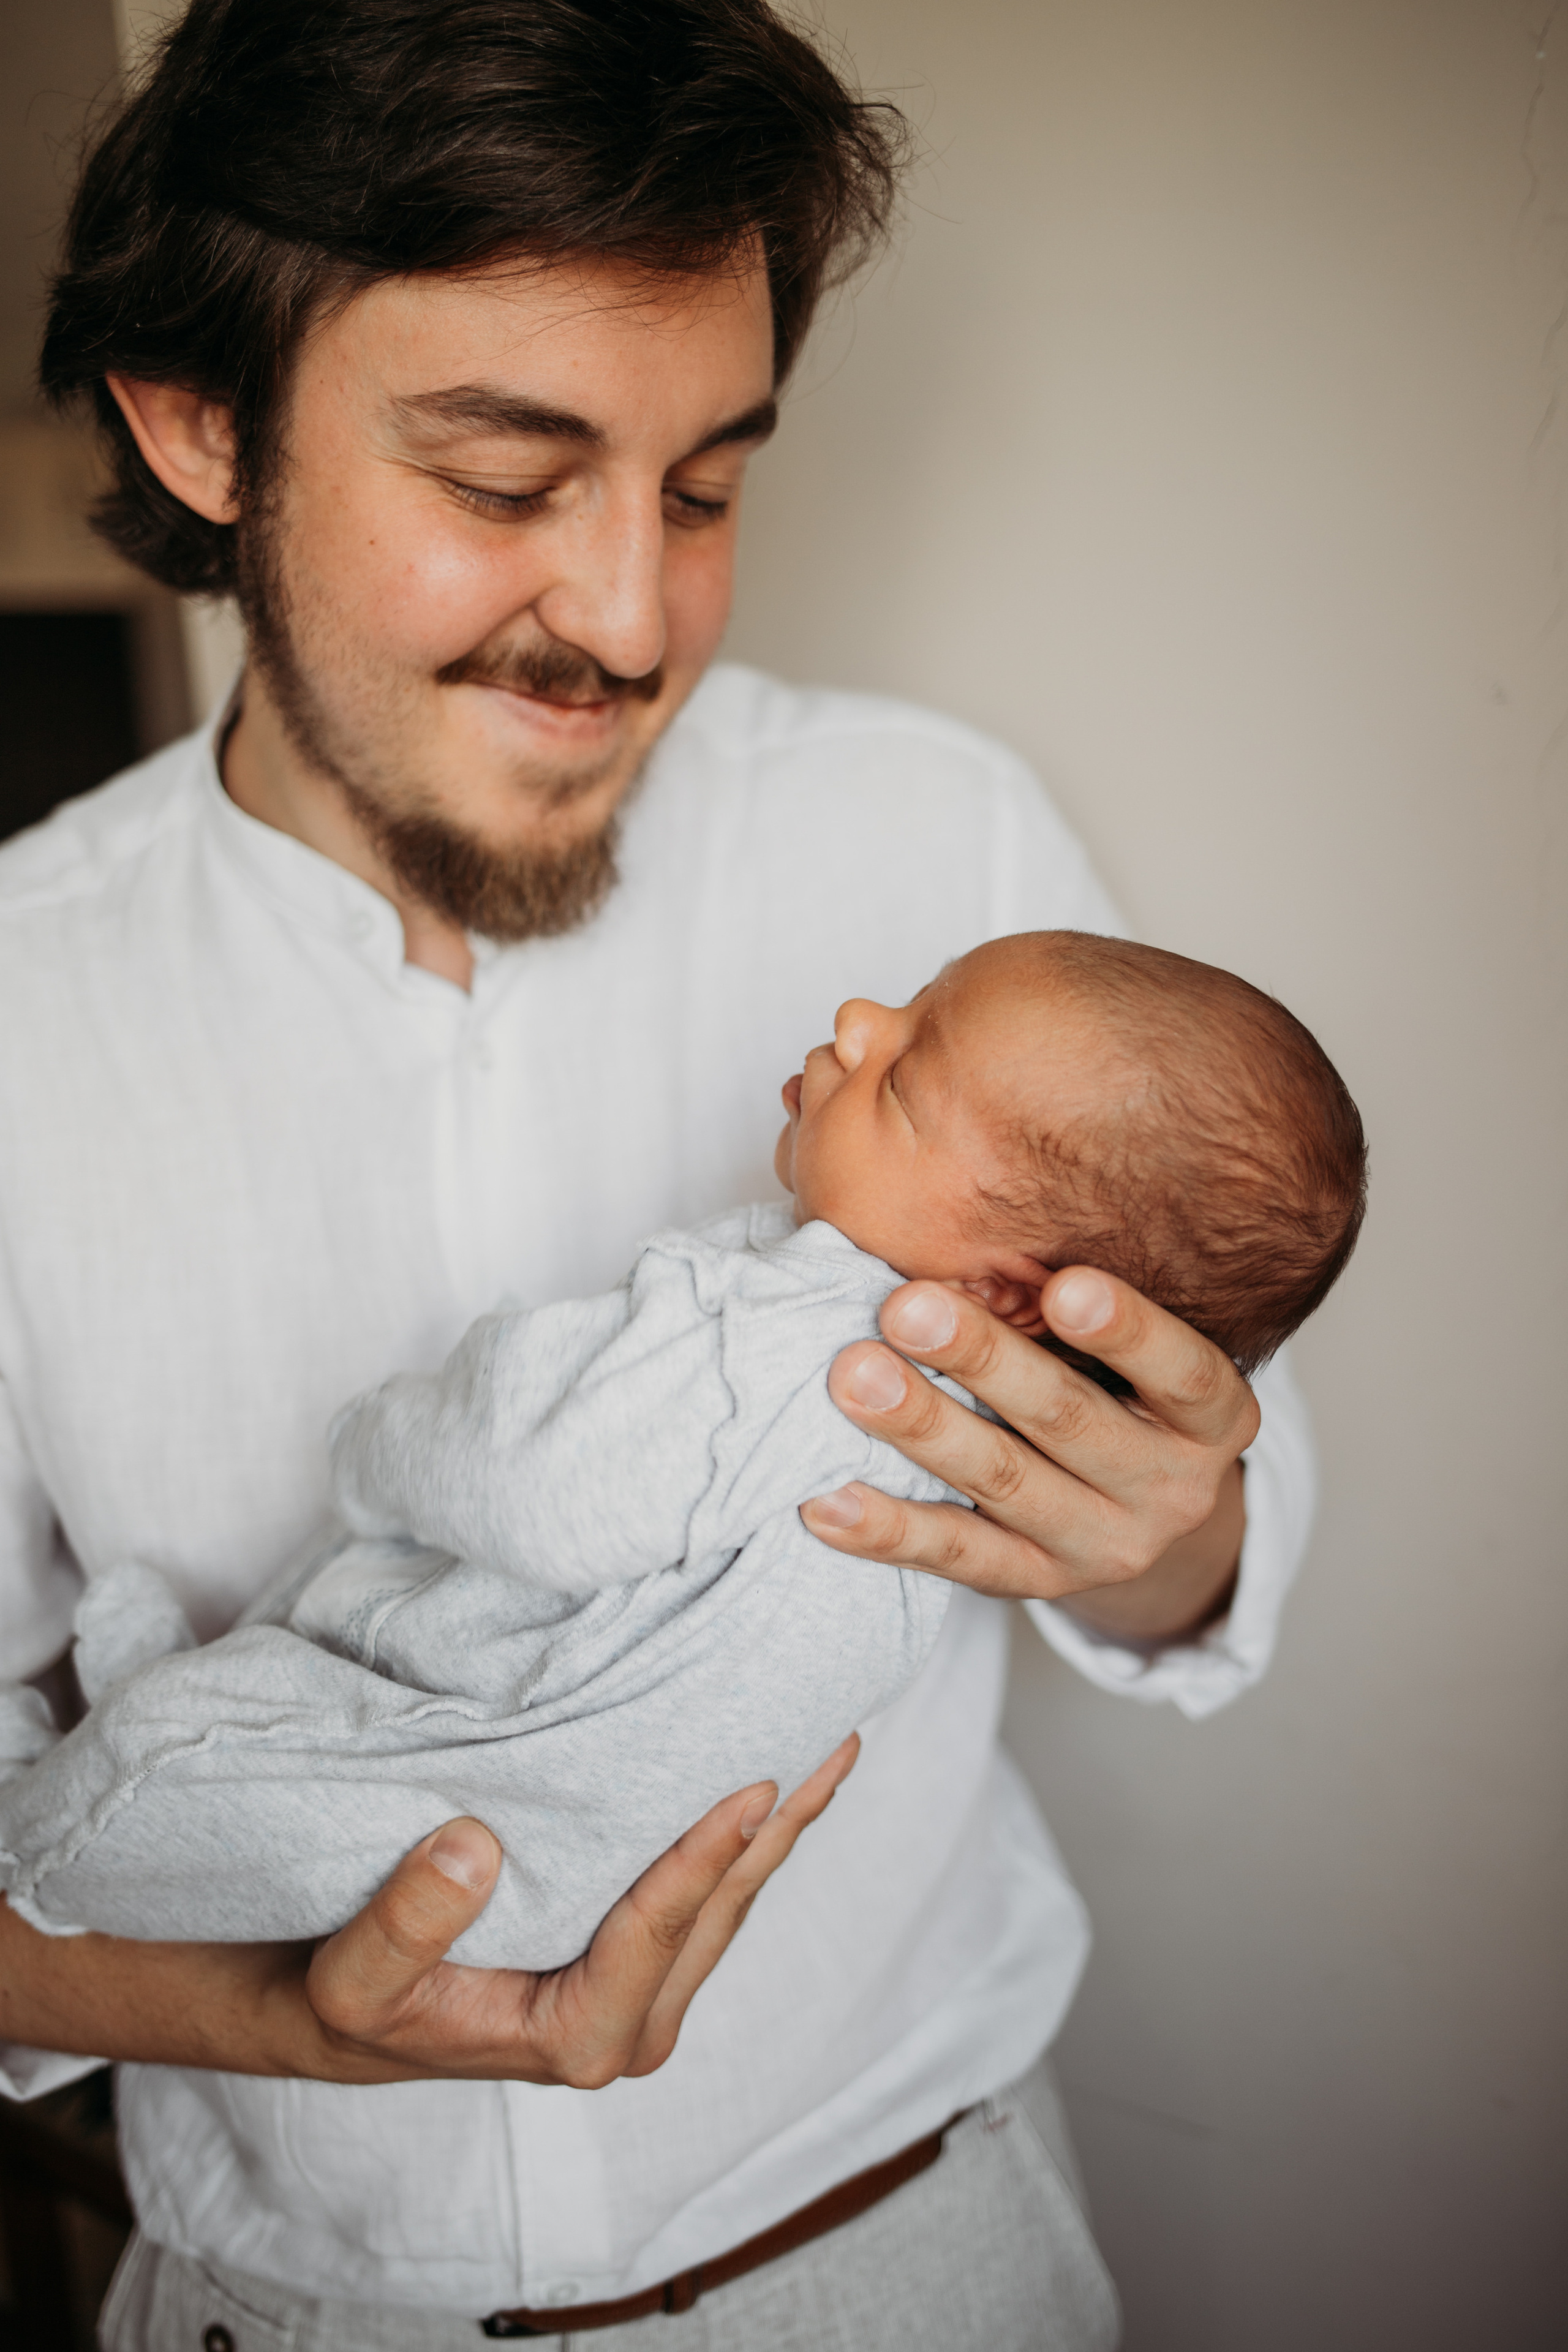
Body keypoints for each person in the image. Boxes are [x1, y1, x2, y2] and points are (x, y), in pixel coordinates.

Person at [0, 3, 1316, 2345]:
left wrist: (1169, 1520)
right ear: (204, 428)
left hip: (916, 2262)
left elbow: (1190, 1519)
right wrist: (273, 2020)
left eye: (704, 486)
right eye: (508, 482)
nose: (632, 618)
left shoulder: (942, 845)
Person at [1, 934, 1365, 1985]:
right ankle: (186, 1717)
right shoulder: (951, 1390)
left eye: (903, 1077)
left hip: (477, 1780)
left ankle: (63, 1824)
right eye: (903, 1000)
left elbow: (529, 1476)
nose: (855, 1023)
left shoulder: (807, 1349)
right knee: (272, 1707)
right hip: (564, 1824)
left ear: (1013, 1298)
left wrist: (376, 1446)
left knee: (161, 1780)